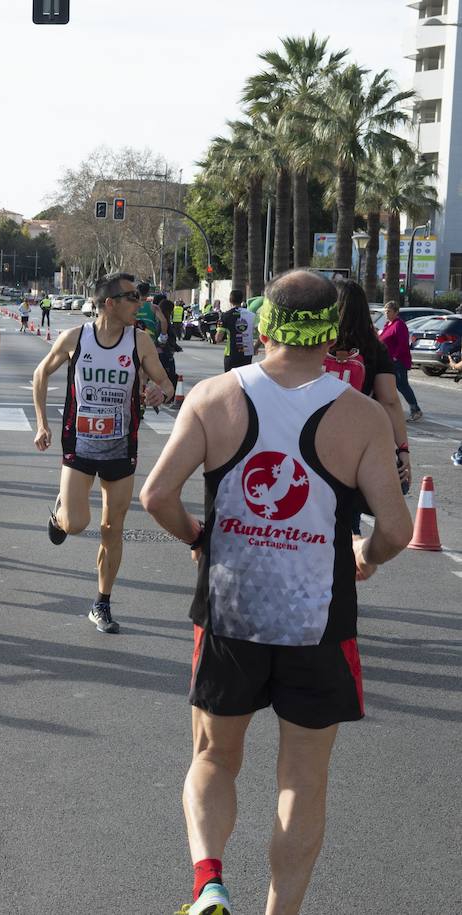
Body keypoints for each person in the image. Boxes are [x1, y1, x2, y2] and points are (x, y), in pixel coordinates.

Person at [139, 269, 411, 915]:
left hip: (231, 611)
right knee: (303, 778)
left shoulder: (213, 396)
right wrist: (363, 556)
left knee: (213, 755)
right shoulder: (361, 415)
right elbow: (397, 529)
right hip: (319, 620)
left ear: (263, 324)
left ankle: (208, 882)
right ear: (335, 334)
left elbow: (156, 496)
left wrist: (199, 537)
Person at [32, 271, 173, 633]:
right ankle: (60, 512)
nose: (139, 304)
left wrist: (161, 392)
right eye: (132, 298)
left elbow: (165, 383)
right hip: (79, 445)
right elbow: (40, 374)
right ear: (110, 304)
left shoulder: (138, 341)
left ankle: (102, 603)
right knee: (77, 524)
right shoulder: (74, 338)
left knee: (112, 527)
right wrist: (42, 423)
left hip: (121, 448)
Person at [325, 281, 412, 521]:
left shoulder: (318, 344)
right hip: (355, 443)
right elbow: (390, 401)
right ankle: (353, 552)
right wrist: (402, 449)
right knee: (348, 521)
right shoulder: (374, 348)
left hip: (313, 438)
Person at [378, 300, 423, 422]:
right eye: (385, 311)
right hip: (387, 360)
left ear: (396, 312)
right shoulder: (388, 324)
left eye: (389, 311)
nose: (386, 314)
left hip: (398, 362)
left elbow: (403, 344)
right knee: (388, 385)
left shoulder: (399, 325)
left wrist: (395, 357)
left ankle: (416, 409)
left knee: (402, 385)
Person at [216, 290, 258, 372]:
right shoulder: (252, 315)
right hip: (247, 353)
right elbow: (263, 333)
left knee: (230, 381)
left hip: (231, 354)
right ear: (242, 300)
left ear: (230, 300)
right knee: (245, 380)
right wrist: (255, 347)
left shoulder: (225, 316)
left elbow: (218, 338)